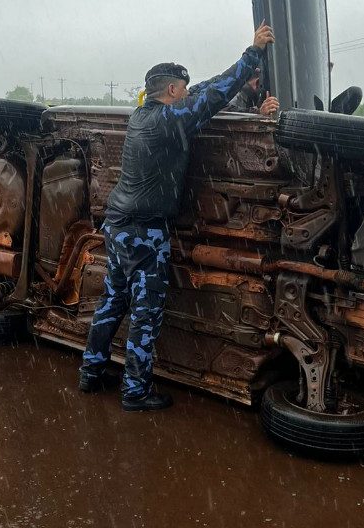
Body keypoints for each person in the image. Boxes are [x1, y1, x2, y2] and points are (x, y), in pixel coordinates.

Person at [78, 22, 276, 411]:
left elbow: (201, 92)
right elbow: (214, 95)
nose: (187, 93)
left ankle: (91, 371)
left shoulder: (141, 117)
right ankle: (135, 391)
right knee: (146, 311)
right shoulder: (170, 122)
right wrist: (251, 54)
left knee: (112, 301)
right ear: (171, 91)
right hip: (144, 232)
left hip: (118, 226)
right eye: (182, 89)